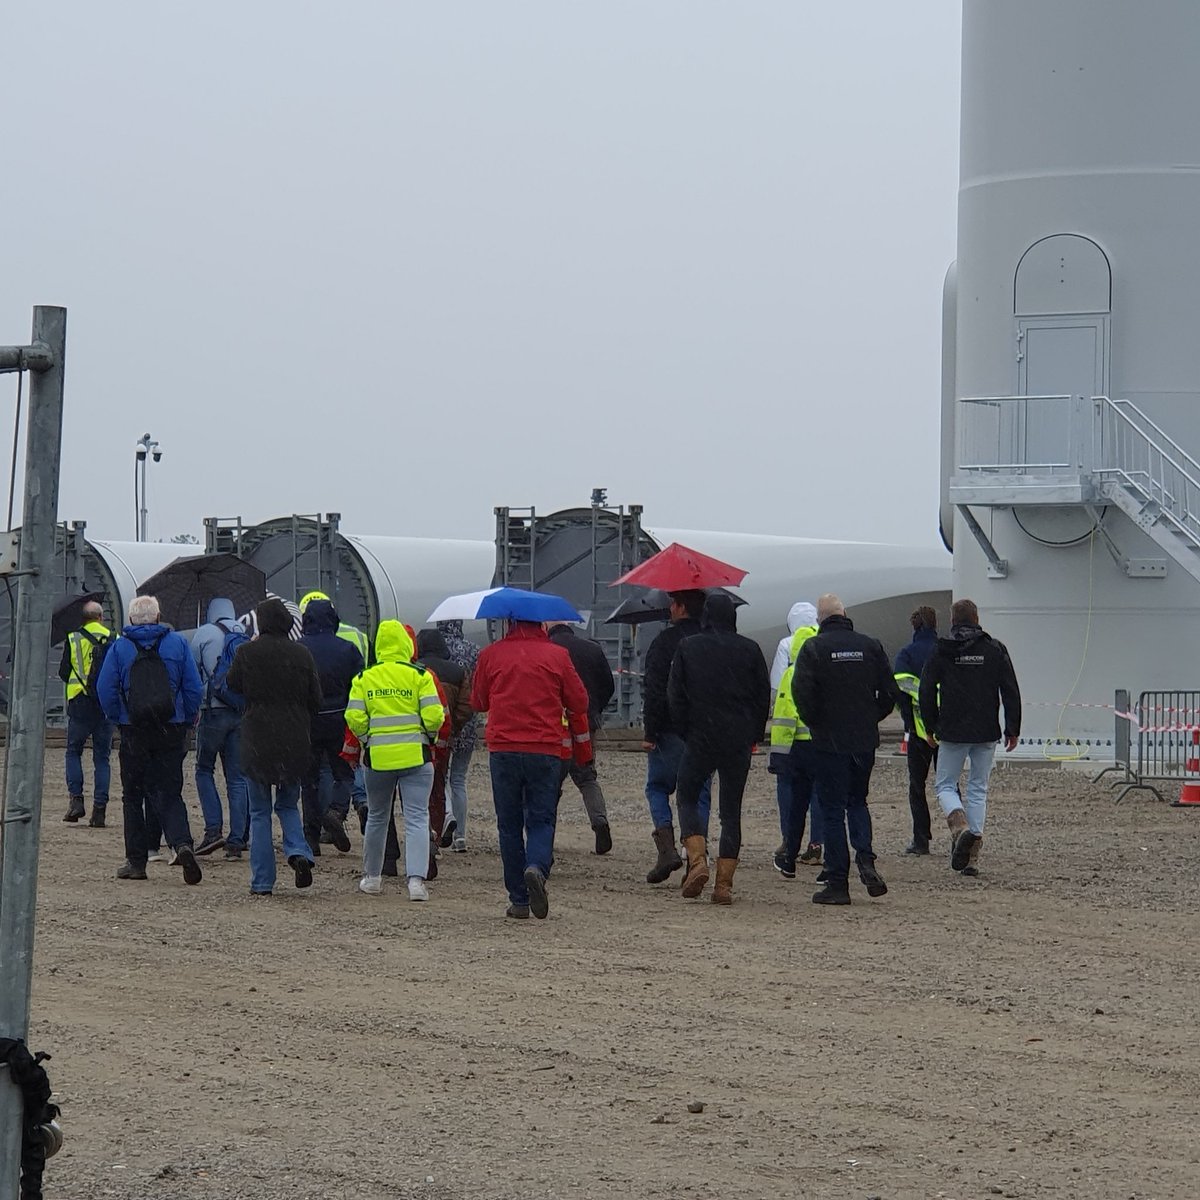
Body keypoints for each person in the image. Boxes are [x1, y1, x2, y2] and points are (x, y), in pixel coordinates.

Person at [471, 618, 591, 920]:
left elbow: (478, 701)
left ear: (510, 621)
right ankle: (536, 867)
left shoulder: (491, 654)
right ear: (540, 623)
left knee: (508, 825)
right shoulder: (557, 655)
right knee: (541, 818)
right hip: (545, 748)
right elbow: (580, 701)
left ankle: (519, 900)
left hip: (504, 749)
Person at [792, 594, 898, 906]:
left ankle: (838, 880)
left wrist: (818, 722)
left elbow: (802, 694)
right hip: (863, 740)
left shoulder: (814, 648)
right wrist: (870, 716)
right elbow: (890, 690)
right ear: (845, 614)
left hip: (829, 742)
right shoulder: (870, 645)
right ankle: (865, 859)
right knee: (858, 801)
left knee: (832, 809)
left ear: (819, 620)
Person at [667, 593, 771, 905]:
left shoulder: (689, 647)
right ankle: (724, 884)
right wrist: (752, 733)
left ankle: (698, 861)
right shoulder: (750, 649)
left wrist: (686, 730)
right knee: (731, 811)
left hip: (701, 734)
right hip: (737, 738)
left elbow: (675, 696)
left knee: (686, 795)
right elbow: (761, 696)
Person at [96, 594, 204, 885]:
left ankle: (136, 862)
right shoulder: (177, 644)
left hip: (134, 729)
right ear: (158, 617)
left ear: (131, 619)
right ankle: (181, 843)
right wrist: (187, 717)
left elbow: (105, 688)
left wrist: (120, 717)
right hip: (171, 727)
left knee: (132, 795)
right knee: (169, 790)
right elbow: (194, 687)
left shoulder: (120, 648)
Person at [919, 598, 1022, 877]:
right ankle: (973, 852)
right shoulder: (994, 649)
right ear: (977, 619)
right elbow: (1010, 689)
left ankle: (959, 826)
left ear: (953, 621)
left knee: (945, 785)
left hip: (952, 729)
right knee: (978, 788)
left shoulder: (943, 650)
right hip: (986, 728)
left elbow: (926, 689)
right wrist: (1013, 727)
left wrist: (929, 726)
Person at [225, 598, 321, 896]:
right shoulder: (302, 654)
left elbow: (232, 685)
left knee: (260, 812)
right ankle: (299, 852)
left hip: (257, 739)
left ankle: (263, 881)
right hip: (294, 739)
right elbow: (316, 700)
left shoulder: (246, 652)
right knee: (288, 804)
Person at [346, 620, 444, 901]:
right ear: (406, 644)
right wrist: (429, 735)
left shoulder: (365, 678)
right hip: (417, 756)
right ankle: (416, 882)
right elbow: (436, 715)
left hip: (377, 759)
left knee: (377, 817)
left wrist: (367, 738)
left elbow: (354, 717)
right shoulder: (420, 676)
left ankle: (373, 878)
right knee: (416, 817)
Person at [640, 590, 712, 884]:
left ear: (682, 607)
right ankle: (697, 858)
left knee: (657, 787)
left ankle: (666, 846)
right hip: (704, 730)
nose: (669, 607)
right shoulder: (711, 641)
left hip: (670, 730)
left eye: (673, 602)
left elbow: (655, 690)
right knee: (700, 792)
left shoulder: (664, 642)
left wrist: (650, 731)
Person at [299, 589, 371, 826]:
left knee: (309, 780)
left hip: (308, 721)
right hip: (339, 718)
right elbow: (359, 684)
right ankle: (336, 810)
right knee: (344, 773)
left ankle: (312, 834)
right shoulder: (348, 648)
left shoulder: (299, 649)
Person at [546, 620, 615, 855]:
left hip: (554, 725)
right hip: (586, 723)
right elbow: (608, 685)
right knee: (587, 776)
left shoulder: (547, 651)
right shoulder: (592, 649)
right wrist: (593, 710)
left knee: (550, 783)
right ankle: (599, 821)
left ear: (549, 628)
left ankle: (545, 834)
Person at [190, 598, 251, 858]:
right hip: (239, 711)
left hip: (212, 711)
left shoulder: (203, 633)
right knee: (237, 778)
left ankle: (213, 830)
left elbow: (192, 676)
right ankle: (237, 841)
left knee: (204, 770)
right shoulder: (245, 635)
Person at [767, 606, 824, 878]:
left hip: (791, 738)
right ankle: (817, 842)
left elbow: (777, 687)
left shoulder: (786, 646)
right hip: (820, 735)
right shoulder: (823, 644)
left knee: (789, 790)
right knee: (819, 793)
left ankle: (789, 841)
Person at [415, 627, 474, 866]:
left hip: (416, 741)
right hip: (444, 740)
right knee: (444, 784)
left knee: (419, 791)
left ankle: (423, 835)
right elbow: (467, 706)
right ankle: (443, 834)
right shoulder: (457, 671)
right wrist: (452, 729)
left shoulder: (415, 670)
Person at [58, 600, 114, 826]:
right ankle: (99, 810)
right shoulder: (114, 638)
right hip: (105, 704)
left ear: (84, 618)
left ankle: (76, 801)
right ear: (101, 617)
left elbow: (64, 672)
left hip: (80, 702)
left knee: (73, 752)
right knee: (102, 757)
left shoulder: (73, 638)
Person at [894, 606, 940, 855]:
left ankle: (921, 839)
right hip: (947, 730)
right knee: (949, 786)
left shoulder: (908, 654)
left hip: (917, 729)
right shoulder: (945, 650)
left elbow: (899, 685)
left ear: (915, 626)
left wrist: (909, 712)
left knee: (917, 786)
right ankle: (959, 833)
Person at [436, 619, 480, 852]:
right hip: (468, 721)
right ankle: (461, 836)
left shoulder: (435, 650)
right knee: (459, 779)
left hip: (442, 721)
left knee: (439, 775)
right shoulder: (473, 650)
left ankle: (446, 817)